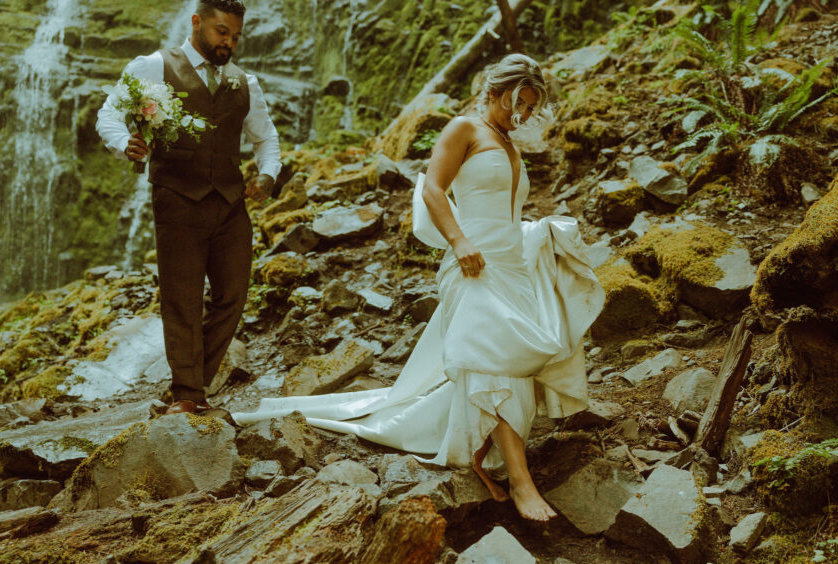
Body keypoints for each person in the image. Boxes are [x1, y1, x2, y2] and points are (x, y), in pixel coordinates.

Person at [234, 54, 604, 521]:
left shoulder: (508, 144)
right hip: (472, 265)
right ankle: (521, 481)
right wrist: (460, 240)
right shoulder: (463, 130)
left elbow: (502, 208)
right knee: (498, 362)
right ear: (494, 91)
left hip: (511, 265)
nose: (523, 115)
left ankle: (483, 448)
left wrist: (537, 234)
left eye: (530, 107)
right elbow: (432, 189)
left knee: (513, 363)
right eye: (518, 103)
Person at [96, 0, 281, 415]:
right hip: (177, 200)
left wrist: (268, 175)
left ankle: (193, 383)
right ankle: (187, 394)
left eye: (235, 37)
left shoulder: (244, 82)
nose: (228, 43)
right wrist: (124, 142)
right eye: (220, 32)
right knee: (181, 299)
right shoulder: (153, 66)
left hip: (231, 204)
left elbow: (266, 138)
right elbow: (108, 114)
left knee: (233, 295)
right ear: (196, 22)